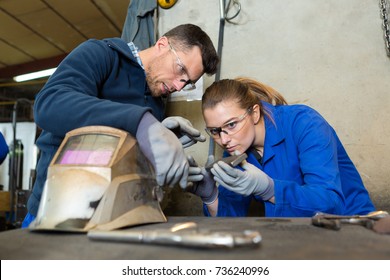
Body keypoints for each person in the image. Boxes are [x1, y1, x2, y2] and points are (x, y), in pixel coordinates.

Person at [22, 24, 219, 228]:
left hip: (117, 220)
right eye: (180, 70)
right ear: (162, 45)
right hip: (56, 215)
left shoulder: (157, 99)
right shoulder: (101, 54)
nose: (179, 86)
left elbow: (120, 156)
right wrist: (142, 123)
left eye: (187, 82)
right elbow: (50, 104)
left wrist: (161, 147)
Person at [188, 77, 375, 217]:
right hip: (300, 236)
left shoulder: (305, 124)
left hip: (354, 229)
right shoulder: (236, 146)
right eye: (214, 131)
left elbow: (330, 203)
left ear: (254, 113)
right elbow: (232, 222)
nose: (223, 139)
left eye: (231, 125)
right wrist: (211, 196)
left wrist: (270, 190)